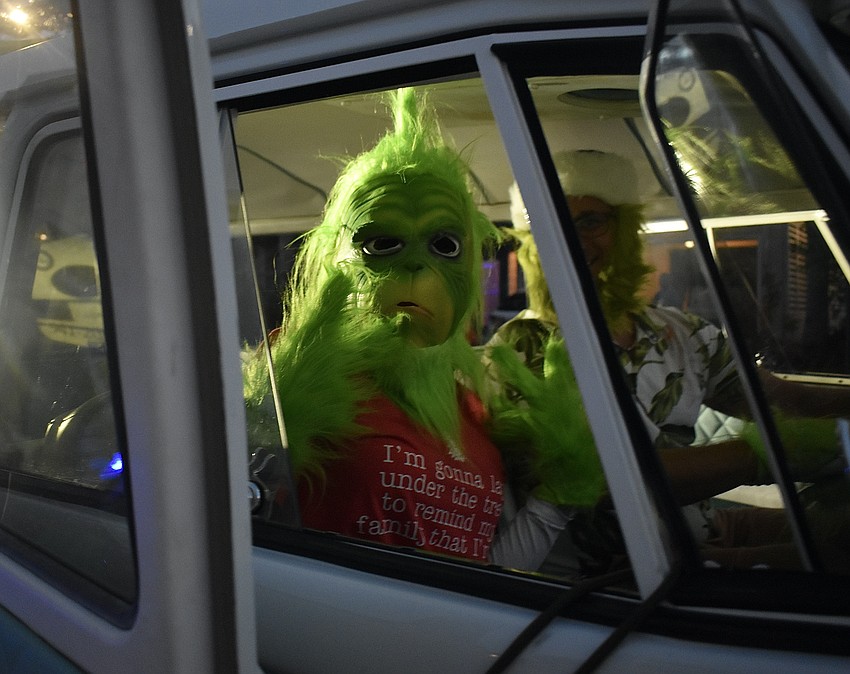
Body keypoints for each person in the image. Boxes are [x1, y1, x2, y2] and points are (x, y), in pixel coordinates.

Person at [243, 90, 604, 566]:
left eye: (445, 245)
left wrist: (558, 499)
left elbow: (486, 571)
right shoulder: (297, 378)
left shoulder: (469, 407)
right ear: (339, 258)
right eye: (384, 242)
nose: (416, 268)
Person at [489, 149, 847, 575]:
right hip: (614, 576)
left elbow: (780, 399)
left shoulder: (679, 331)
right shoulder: (521, 348)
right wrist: (762, 457)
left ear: (624, 228)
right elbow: (596, 482)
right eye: (554, 226)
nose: (574, 239)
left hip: (704, 530)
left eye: (591, 222)